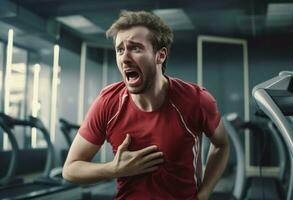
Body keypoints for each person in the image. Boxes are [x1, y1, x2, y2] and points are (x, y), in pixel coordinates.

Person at [63, 10, 230, 200]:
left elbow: (221, 145)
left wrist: (205, 193)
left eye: (135, 48)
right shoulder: (108, 103)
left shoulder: (197, 100)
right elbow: (70, 169)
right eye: (120, 49)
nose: (124, 58)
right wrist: (113, 169)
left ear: (160, 55)